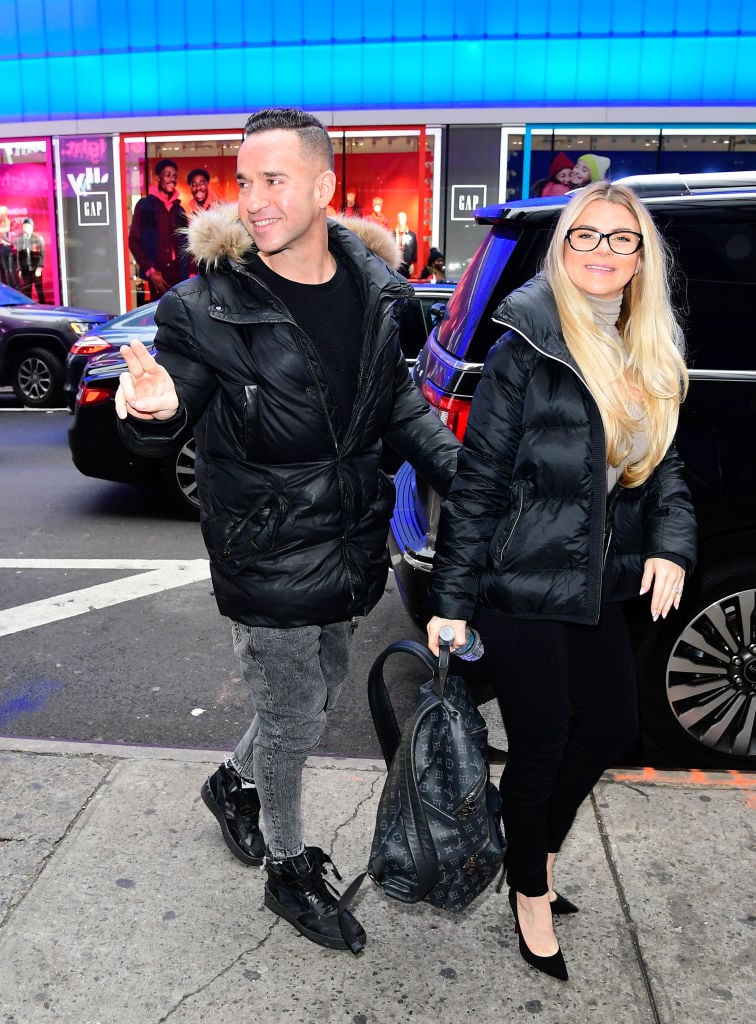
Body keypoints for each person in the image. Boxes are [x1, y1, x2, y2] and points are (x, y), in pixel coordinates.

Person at [114, 107, 459, 955]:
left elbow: (399, 406)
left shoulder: (377, 290)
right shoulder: (206, 307)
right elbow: (176, 398)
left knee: (316, 696)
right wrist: (152, 412)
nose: (255, 201)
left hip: (345, 544)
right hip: (263, 549)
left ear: (322, 186)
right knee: (294, 715)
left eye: (273, 180)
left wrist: (476, 475)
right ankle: (287, 867)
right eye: (244, 182)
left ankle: (233, 784)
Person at [426, 181, 697, 981]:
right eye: (587, 236)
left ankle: (532, 845)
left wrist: (672, 547)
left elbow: (664, 470)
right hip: (520, 580)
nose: (603, 252)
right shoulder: (527, 347)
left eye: (622, 239)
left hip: (596, 578)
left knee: (611, 728)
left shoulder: (644, 347)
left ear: (641, 257)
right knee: (541, 745)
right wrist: (450, 600)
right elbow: (476, 485)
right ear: (563, 247)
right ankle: (531, 892)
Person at [128, 158, 191, 300]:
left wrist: (187, 276)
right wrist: (150, 271)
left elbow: (186, 244)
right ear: (158, 177)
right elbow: (133, 241)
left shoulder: (178, 209)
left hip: (179, 275)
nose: (172, 179)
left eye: (174, 176)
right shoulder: (145, 205)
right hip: (157, 275)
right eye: (167, 175)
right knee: (159, 316)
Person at [16, 217, 45, 301]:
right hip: (25, 269)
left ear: (32, 227)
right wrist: (20, 269)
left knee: (39, 290)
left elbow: (42, 254)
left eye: (28, 226)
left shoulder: (38, 238)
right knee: (27, 291)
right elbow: (19, 256)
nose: (26, 228)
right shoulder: (20, 240)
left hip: (35, 269)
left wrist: (39, 268)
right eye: (24, 226)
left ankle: (43, 306)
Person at [393, 211, 417, 278]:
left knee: (406, 280)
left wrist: (412, 264)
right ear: (397, 219)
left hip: (406, 262)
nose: (402, 220)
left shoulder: (411, 234)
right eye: (400, 218)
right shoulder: (392, 234)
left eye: (403, 218)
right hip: (395, 262)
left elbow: (414, 249)